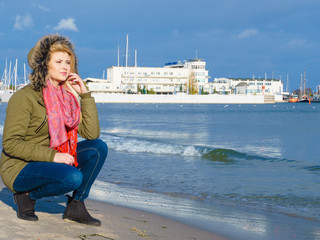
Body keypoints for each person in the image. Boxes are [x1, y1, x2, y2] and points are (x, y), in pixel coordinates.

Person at [0, 34, 108, 226]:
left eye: (68, 61)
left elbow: (91, 134)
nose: (65, 66)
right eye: (58, 61)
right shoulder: (24, 97)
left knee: (98, 148)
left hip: (53, 159)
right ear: (44, 65)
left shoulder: (68, 97)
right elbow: (11, 144)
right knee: (73, 177)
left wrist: (85, 96)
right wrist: (53, 156)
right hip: (20, 166)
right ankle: (26, 195)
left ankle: (76, 204)